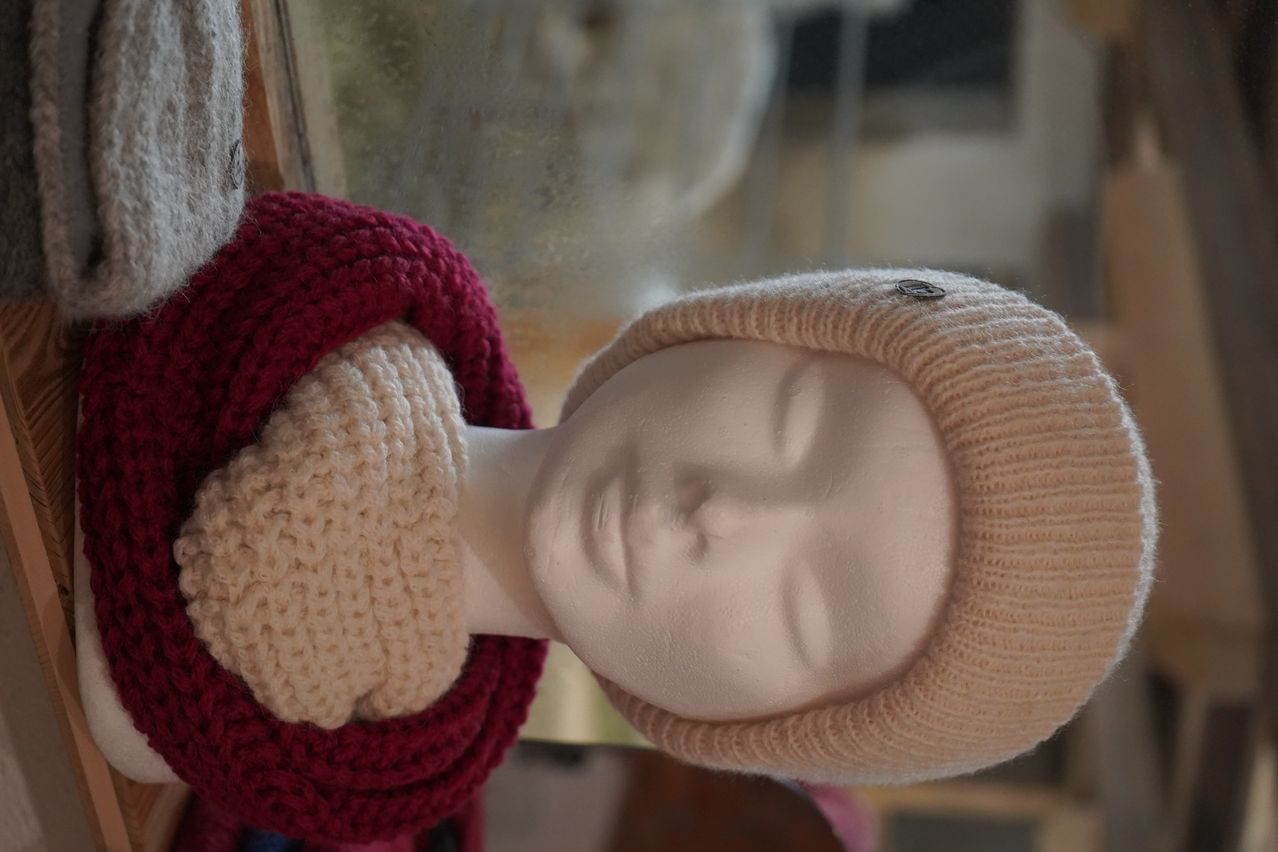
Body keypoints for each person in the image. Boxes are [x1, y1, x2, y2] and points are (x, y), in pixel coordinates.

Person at [79, 193, 1155, 842]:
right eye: (796, 421)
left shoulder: (333, 773)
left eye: (807, 609)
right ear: (726, 328)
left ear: (752, 730)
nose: (723, 513)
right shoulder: (265, 257)